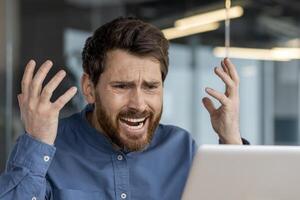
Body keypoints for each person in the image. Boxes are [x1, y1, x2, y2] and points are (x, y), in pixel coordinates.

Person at [0, 17, 248, 200]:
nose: (139, 104)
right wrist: (38, 140)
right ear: (89, 88)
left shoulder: (182, 149)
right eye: (121, 86)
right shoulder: (46, 151)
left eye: (151, 87)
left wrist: (231, 140)